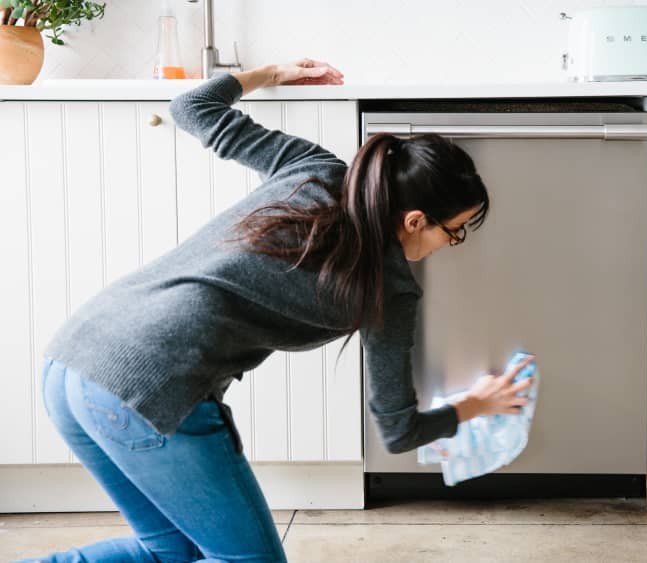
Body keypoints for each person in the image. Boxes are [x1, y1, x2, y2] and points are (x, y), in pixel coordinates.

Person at [21, 58, 535, 563]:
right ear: (416, 220)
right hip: (145, 390)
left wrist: (271, 74)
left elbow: (192, 106)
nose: (454, 243)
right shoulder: (389, 288)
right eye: (455, 231)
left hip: (71, 361)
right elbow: (398, 431)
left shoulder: (317, 169)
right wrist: (476, 405)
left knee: (169, 550)